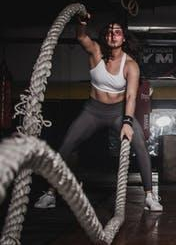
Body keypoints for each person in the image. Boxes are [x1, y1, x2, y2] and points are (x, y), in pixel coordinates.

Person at [34, 14, 163, 211]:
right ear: (105, 37)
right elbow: (81, 37)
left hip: (118, 113)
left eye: (118, 32)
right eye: (110, 32)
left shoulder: (130, 65)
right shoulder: (95, 51)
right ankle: (51, 193)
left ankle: (149, 196)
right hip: (92, 111)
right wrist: (82, 23)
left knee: (141, 146)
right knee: (66, 145)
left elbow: (131, 97)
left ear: (123, 39)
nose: (113, 35)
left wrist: (127, 122)